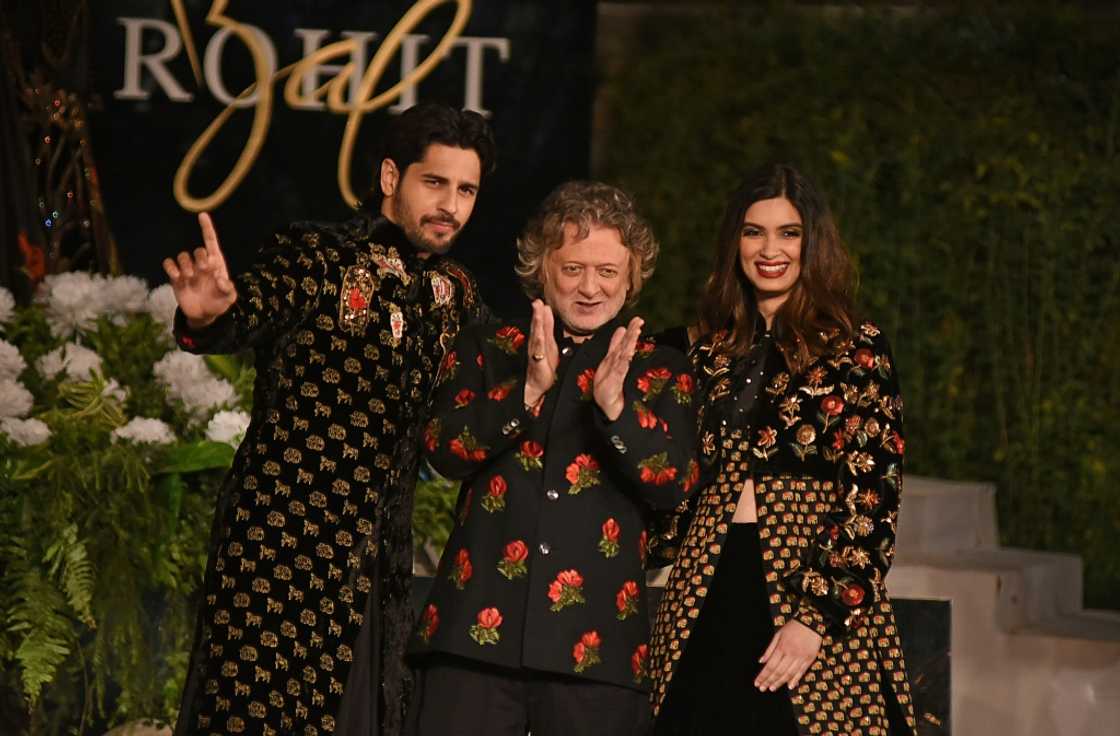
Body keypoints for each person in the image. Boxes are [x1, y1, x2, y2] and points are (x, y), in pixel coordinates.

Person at [162, 102, 496, 736]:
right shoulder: (317, 254)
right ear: (392, 177)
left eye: (467, 189)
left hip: (377, 574)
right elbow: (250, 309)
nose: (451, 204)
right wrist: (209, 317)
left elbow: (494, 394)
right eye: (435, 182)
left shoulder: (458, 294)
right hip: (278, 559)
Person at [405, 181, 699, 736]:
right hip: (473, 643)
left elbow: (675, 484)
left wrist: (616, 410)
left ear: (632, 277)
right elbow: (443, 451)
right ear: (541, 269)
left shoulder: (662, 368)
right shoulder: (486, 347)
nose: (590, 288)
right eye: (572, 269)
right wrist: (525, 394)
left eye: (607, 272)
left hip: (598, 654)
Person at [649, 163, 918, 735]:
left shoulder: (855, 347)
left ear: (811, 243)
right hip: (707, 587)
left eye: (788, 233)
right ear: (734, 243)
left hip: (808, 582)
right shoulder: (707, 351)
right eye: (754, 232)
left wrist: (815, 618)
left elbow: (873, 497)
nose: (770, 249)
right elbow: (672, 478)